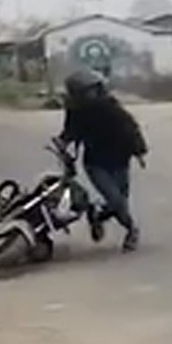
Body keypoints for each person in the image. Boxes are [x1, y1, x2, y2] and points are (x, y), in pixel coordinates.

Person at [59, 68, 149, 253]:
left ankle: (98, 216)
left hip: (120, 158)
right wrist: (63, 142)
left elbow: (130, 129)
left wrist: (139, 151)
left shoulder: (111, 108)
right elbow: (70, 131)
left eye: (93, 89)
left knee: (120, 200)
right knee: (116, 201)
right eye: (86, 91)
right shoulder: (76, 111)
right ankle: (132, 230)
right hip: (95, 162)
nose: (90, 94)